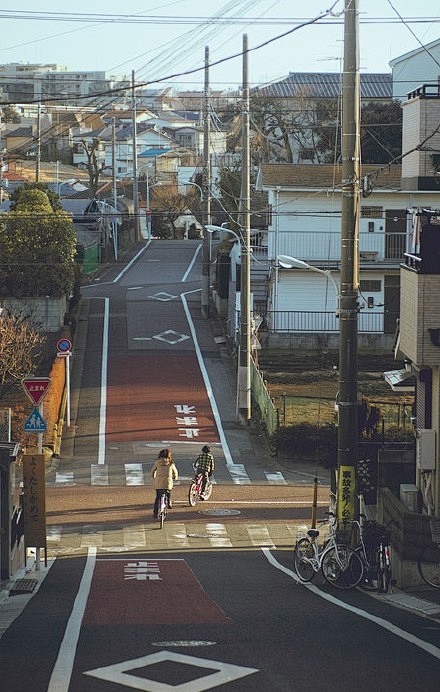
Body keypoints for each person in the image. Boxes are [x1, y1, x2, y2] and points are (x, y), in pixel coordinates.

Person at [151, 449, 178, 518]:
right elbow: (175, 472)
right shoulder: (171, 463)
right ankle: (169, 501)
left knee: (158, 498)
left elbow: (153, 471)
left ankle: (155, 513)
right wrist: (175, 477)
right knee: (168, 491)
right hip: (167, 482)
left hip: (158, 482)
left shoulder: (157, 462)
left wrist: (153, 476)